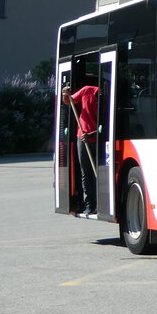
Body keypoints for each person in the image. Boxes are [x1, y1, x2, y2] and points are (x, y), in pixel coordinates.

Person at [61, 83, 99, 216]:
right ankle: (89, 205)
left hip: (99, 139)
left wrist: (93, 134)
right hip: (82, 138)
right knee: (86, 173)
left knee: (100, 173)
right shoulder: (87, 90)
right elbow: (69, 101)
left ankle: (101, 204)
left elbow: (108, 124)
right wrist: (65, 94)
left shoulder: (108, 97)